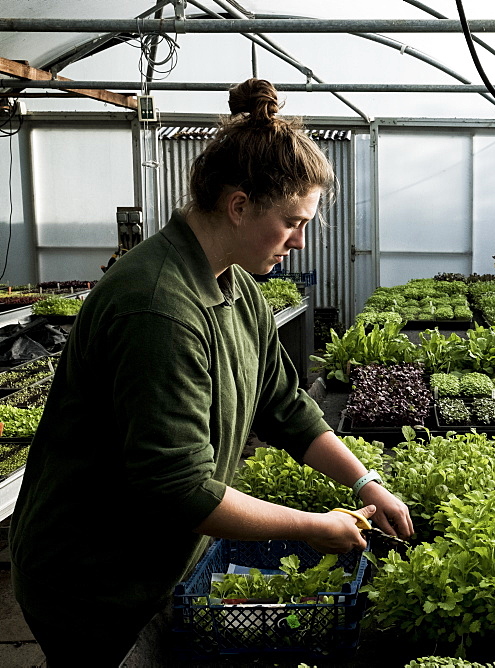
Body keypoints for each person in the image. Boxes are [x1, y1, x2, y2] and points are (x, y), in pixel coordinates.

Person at [8, 78, 413, 666]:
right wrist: (310, 526)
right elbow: (179, 488)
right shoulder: (158, 308)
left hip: (157, 559)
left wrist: (364, 483)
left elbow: (285, 404)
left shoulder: (237, 286)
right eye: (293, 222)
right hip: (92, 575)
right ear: (239, 205)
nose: (300, 242)